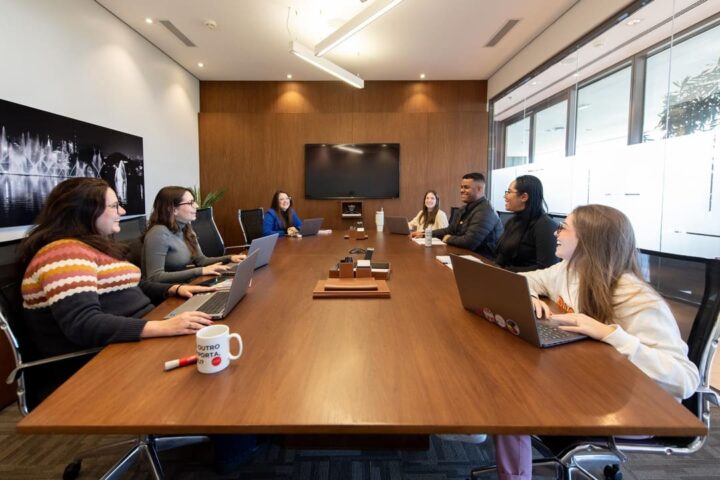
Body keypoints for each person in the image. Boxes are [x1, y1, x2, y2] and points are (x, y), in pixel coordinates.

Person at [493, 204, 700, 480]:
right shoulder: (567, 270)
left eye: (564, 227)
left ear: (588, 241)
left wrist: (610, 334)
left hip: (637, 406)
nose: (556, 232)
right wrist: (528, 296)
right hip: (591, 381)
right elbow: (521, 280)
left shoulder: (635, 296)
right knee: (505, 380)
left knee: (510, 400)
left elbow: (685, 379)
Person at [19, 178, 215, 405]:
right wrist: (162, 326)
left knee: (215, 342)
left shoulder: (89, 248)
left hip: (133, 339)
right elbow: (83, 323)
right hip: (104, 358)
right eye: (113, 206)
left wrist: (175, 288)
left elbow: (132, 284)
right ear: (84, 210)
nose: (121, 211)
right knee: (214, 366)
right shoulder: (64, 254)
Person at [143, 186, 245, 283]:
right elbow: (155, 277)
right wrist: (200, 271)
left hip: (187, 285)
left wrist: (229, 258)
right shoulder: (158, 234)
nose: (196, 206)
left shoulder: (186, 228)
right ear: (173, 209)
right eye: (190, 203)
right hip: (167, 295)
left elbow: (201, 260)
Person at [494, 175, 559, 272]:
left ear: (524, 197)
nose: (505, 196)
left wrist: (508, 271)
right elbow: (502, 255)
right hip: (507, 277)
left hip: (528, 283)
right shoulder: (513, 221)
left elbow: (547, 268)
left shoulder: (545, 226)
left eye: (509, 192)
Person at [431, 172, 503, 256]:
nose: (461, 190)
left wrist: (449, 238)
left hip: (484, 261)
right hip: (464, 255)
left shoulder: (486, 211)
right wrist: (426, 234)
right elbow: (450, 230)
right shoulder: (464, 209)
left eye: (466, 187)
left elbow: (469, 242)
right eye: (461, 187)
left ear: (479, 189)